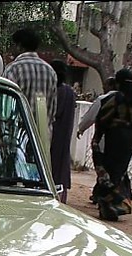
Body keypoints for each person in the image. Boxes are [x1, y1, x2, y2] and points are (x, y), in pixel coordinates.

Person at [91, 68, 132, 222]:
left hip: (115, 139)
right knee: (120, 172)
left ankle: (109, 205)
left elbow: (103, 118)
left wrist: (99, 136)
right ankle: (117, 204)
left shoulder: (117, 98)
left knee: (108, 171)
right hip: (131, 141)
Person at [2, 28, 57, 136]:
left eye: (13, 45)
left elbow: (6, 107)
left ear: (19, 46)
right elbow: (52, 111)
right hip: (41, 140)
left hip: (18, 137)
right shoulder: (50, 71)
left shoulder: (13, 69)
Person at [49, 60, 76, 204]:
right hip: (64, 138)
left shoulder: (52, 91)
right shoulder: (70, 92)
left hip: (51, 136)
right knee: (60, 172)